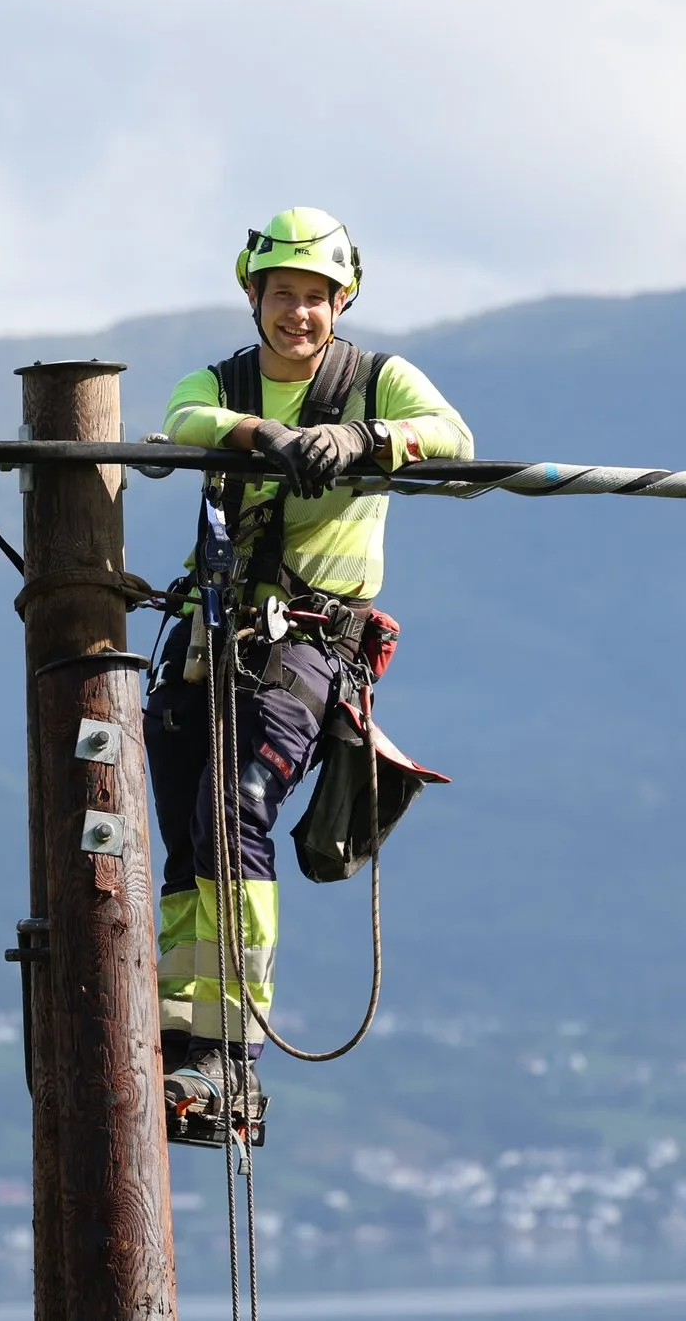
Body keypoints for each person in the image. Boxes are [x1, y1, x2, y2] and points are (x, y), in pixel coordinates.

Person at [144, 206, 473, 1146]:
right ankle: (186, 1034)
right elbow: (179, 419)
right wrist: (259, 436)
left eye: (315, 298)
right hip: (211, 637)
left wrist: (369, 441)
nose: (298, 314)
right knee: (186, 831)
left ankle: (231, 1042)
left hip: (307, 642)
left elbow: (450, 434)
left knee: (236, 805)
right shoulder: (227, 382)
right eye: (282, 295)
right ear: (255, 297)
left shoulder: (378, 378)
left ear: (342, 301)